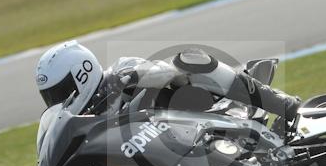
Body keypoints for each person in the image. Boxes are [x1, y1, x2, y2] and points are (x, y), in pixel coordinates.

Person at [35, 40, 300, 125]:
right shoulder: (81, 121)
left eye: (60, 91)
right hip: (167, 153)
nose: (58, 100)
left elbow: (167, 73)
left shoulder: (119, 71)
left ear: (82, 73)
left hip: (200, 114)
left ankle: (280, 102)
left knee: (188, 60)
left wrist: (134, 77)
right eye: (51, 96)